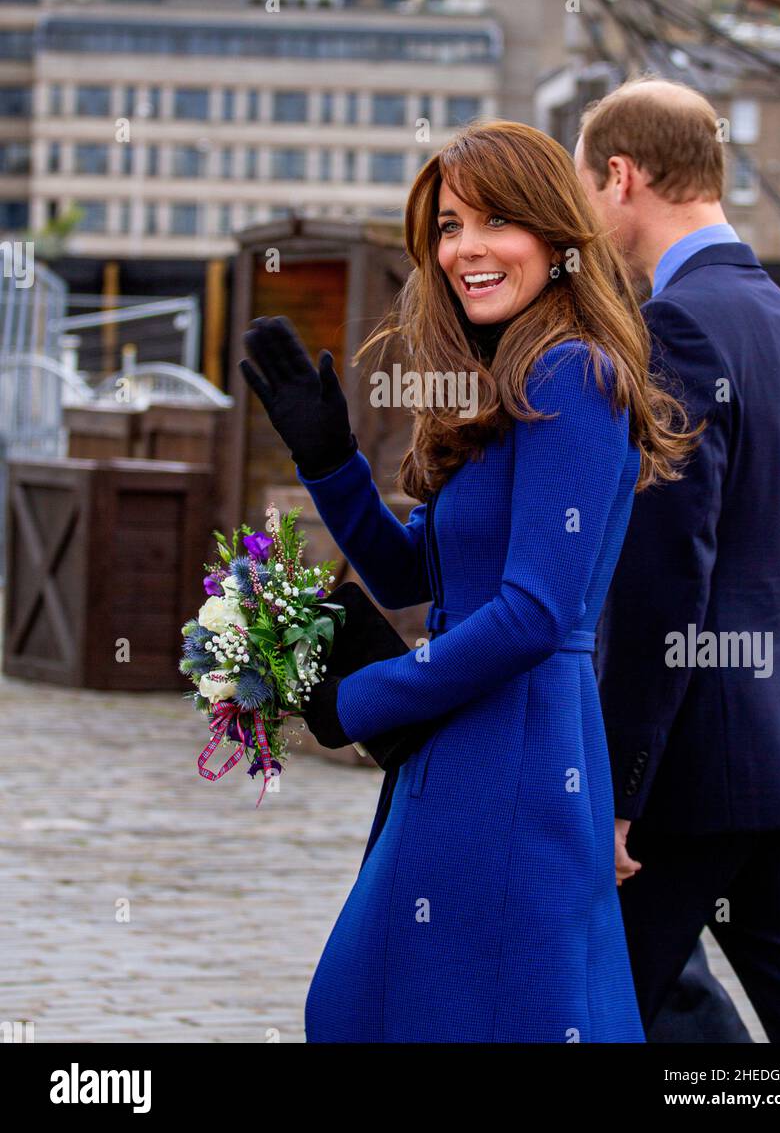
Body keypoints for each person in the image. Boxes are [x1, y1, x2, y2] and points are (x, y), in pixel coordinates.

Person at [239, 119, 696, 1043]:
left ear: (558, 238)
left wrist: (364, 698)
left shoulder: (573, 373)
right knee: (401, 1006)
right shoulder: (512, 378)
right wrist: (327, 461)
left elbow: (534, 613)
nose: (464, 249)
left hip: (514, 752)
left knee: (437, 1008)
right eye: (448, 227)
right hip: (470, 740)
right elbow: (414, 571)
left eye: (495, 222)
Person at [576, 76, 780, 1044]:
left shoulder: (673, 330)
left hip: (691, 774)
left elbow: (664, 582)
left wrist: (619, 787)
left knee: (593, 1013)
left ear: (621, 175)